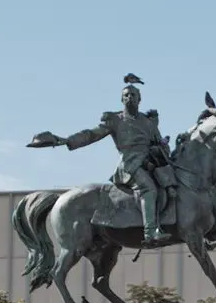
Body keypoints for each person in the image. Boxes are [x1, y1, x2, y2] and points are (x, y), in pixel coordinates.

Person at [52, 83, 177, 246]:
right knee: (148, 188)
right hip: (129, 165)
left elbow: (160, 143)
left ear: (140, 99)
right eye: (126, 95)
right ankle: (150, 232)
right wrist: (68, 140)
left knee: (172, 185)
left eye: (133, 95)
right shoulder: (115, 120)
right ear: (121, 99)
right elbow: (92, 134)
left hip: (150, 163)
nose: (129, 97)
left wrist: (163, 150)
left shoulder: (148, 122)